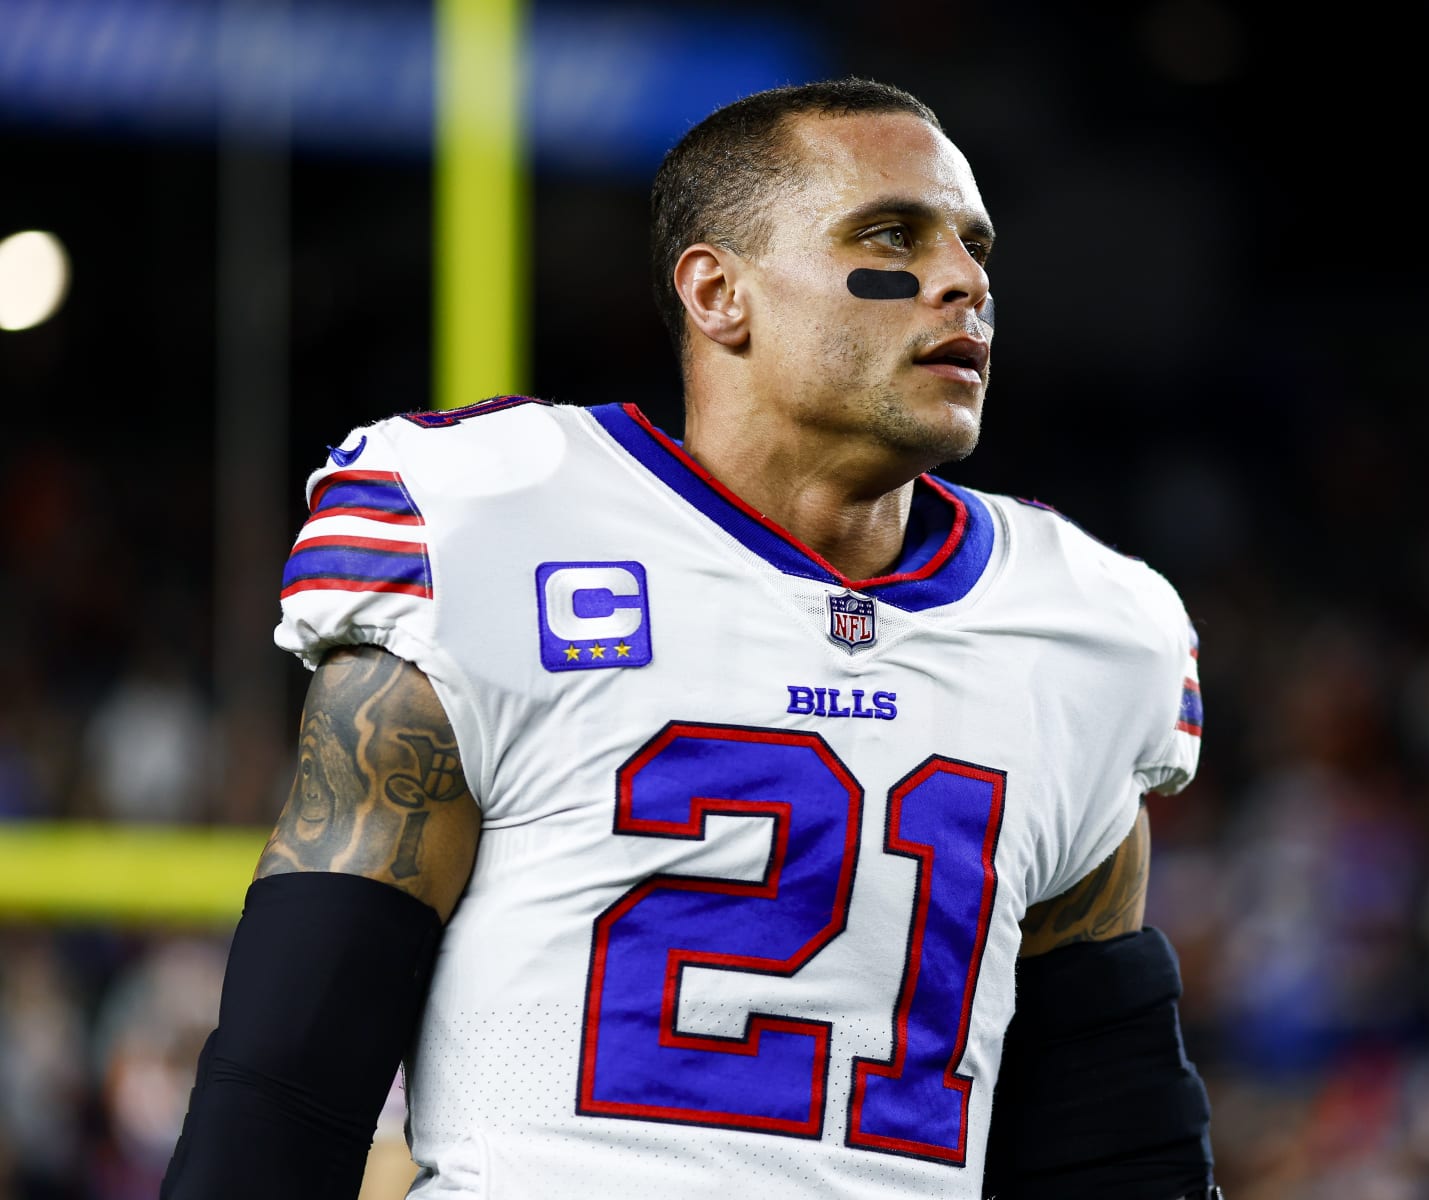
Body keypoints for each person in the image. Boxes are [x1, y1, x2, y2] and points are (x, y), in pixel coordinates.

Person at [162, 79, 1218, 1199]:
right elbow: (291, 1074)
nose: (964, 280)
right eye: (890, 237)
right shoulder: (496, 526)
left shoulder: (1086, 629)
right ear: (719, 293)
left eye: (974, 245)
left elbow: (1109, 1136)